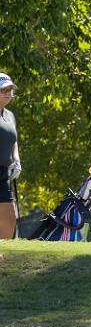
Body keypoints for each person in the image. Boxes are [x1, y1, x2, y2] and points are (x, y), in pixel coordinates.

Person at [0, 73, 20, 239]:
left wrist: (16, 160)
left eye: (10, 90)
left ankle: (4, 253)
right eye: (3, 90)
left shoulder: (9, 116)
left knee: (9, 218)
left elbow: (13, 141)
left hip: (3, 174)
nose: (7, 93)